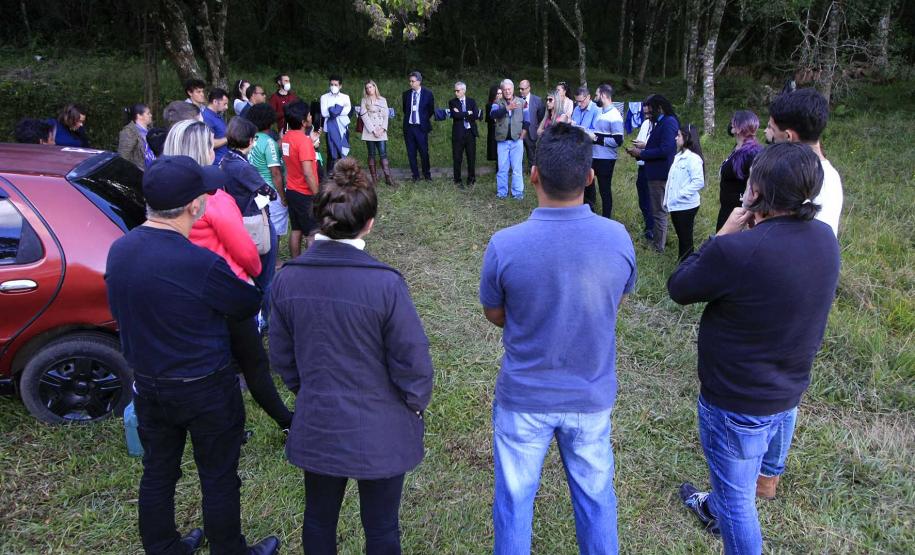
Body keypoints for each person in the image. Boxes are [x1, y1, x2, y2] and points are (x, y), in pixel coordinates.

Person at [670, 142, 840, 554]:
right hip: (787, 389)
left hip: (737, 400)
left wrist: (724, 234)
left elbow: (680, 287)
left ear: (756, 193)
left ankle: (721, 511)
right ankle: (717, 505)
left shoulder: (738, 249)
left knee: (737, 503)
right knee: (737, 487)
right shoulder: (824, 237)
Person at [105, 154, 280, 555]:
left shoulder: (120, 250)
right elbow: (245, 303)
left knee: (158, 471)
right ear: (193, 207)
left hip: (148, 383)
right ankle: (229, 550)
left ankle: (163, 546)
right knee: (218, 475)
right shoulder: (200, 263)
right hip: (205, 387)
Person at [480, 122, 637, 555]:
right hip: (590, 396)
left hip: (523, 398)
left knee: (514, 502)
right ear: (590, 177)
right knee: (597, 498)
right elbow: (614, 300)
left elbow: (495, 312)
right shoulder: (617, 237)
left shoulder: (504, 244)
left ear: (533, 175)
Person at [269, 158, 434, 555]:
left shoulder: (288, 278)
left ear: (320, 218)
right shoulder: (385, 285)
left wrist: (310, 389)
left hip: (320, 419)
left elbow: (282, 356)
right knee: (380, 529)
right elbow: (414, 362)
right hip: (380, 424)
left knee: (318, 520)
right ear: (369, 222)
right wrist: (412, 406)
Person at [163, 120, 293, 436]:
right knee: (254, 364)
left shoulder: (162, 194)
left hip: (183, 291)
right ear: (199, 151)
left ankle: (223, 426)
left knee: (210, 365)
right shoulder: (212, 197)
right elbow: (247, 252)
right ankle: (287, 422)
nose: (215, 149)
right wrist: (252, 273)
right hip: (225, 288)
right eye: (210, 145)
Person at [753, 87, 844, 502]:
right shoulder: (828, 174)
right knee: (786, 386)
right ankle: (767, 472)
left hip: (783, 294)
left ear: (789, 136)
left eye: (770, 129)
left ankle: (762, 473)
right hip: (805, 294)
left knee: (776, 391)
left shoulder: (805, 180)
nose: (766, 134)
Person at [222, 117, 280, 325]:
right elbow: (269, 192)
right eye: (254, 139)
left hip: (237, 220)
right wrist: (268, 193)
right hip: (255, 223)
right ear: (248, 141)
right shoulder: (243, 167)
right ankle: (263, 318)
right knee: (265, 275)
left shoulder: (225, 160)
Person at [766, 88, 843, 238]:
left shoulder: (797, 178)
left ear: (788, 136)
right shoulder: (832, 176)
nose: (770, 136)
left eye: (773, 131)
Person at [626, 94, 680, 252]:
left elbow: (666, 149)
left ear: (659, 108)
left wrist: (641, 154)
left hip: (660, 174)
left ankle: (659, 247)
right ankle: (657, 241)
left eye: (649, 113)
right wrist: (644, 146)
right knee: (655, 210)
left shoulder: (669, 122)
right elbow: (659, 145)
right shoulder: (660, 122)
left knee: (658, 212)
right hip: (654, 173)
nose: (647, 116)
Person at [281, 101, 320, 260]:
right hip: (305, 193)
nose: (311, 116)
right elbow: (308, 173)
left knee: (296, 230)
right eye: (309, 115)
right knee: (313, 232)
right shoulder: (304, 141)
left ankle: (295, 264)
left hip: (291, 190)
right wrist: (317, 194)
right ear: (304, 121)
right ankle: (311, 266)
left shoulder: (286, 137)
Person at [246, 104, 288, 247]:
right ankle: (274, 260)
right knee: (274, 228)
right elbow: (275, 172)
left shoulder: (250, 139)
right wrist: (282, 197)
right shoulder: (269, 142)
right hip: (270, 191)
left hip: (253, 188)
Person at [664, 123, 705, 262]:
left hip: (686, 206)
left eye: (679, 135)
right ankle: (683, 265)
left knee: (686, 239)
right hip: (677, 205)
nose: (676, 138)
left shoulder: (693, 158)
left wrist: (680, 194)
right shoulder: (679, 155)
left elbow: (699, 181)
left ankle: (687, 267)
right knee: (682, 238)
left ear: (687, 137)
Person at [716, 111, 763, 232]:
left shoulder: (752, 153)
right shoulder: (739, 148)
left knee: (727, 247)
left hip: (739, 214)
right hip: (727, 208)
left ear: (740, 127)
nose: (731, 124)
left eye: (733, 121)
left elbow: (754, 184)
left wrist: (748, 212)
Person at [589, 84, 625, 218]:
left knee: (604, 189)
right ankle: (590, 213)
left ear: (603, 96)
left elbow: (618, 141)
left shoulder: (615, 116)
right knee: (588, 186)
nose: (595, 98)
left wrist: (596, 138)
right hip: (594, 156)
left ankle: (606, 218)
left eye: (596, 95)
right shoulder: (600, 112)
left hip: (606, 159)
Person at [490, 79, 526, 200]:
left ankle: (517, 193)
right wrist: (507, 108)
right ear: (502, 91)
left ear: (513, 89)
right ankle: (502, 193)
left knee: (517, 169)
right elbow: (492, 115)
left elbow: (527, 121)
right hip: (502, 141)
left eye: (509, 89)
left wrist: (523, 135)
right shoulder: (497, 102)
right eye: (504, 89)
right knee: (502, 168)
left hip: (517, 140)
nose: (507, 91)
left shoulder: (522, 102)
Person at [358, 79, 396, 187]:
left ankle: (388, 178)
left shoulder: (382, 100)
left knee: (383, 154)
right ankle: (374, 180)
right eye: (367, 88)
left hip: (381, 131)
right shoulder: (364, 100)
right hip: (370, 131)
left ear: (375, 87)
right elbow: (364, 116)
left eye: (371, 87)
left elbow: (386, 115)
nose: (369, 89)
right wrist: (373, 130)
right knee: (371, 154)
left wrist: (382, 129)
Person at [570, 87, 600, 211]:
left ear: (588, 98)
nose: (578, 104)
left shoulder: (597, 110)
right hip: (576, 149)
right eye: (577, 101)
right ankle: (577, 204)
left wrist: (579, 129)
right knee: (577, 178)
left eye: (581, 101)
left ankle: (590, 207)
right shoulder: (576, 109)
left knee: (589, 179)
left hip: (590, 150)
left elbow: (596, 133)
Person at [401, 71, 435, 181]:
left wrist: (423, 120)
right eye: (410, 81)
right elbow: (405, 110)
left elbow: (430, 110)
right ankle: (415, 176)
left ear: (419, 82)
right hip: (409, 128)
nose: (410, 83)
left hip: (421, 128)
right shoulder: (406, 94)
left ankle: (427, 175)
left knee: (424, 152)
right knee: (411, 153)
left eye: (413, 81)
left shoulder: (428, 94)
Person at [448, 81, 478, 188]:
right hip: (458, 134)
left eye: (458, 90)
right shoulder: (452, 102)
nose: (456, 93)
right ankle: (457, 180)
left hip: (470, 133)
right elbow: (455, 115)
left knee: (471, 157)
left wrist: (462, 113)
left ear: (464, 91)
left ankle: (471, 179)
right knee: (457, 157)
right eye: (455, 91)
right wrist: (467, 113)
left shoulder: (471, 101)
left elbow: (475, 115)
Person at [320, 75, 352, 174]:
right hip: (330, 128)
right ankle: (330, 176)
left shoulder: (345, 97)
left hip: (342, 128)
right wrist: (340, 108)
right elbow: (324, 113)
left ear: (340, 86)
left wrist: (332, 110)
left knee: (342, 151)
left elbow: (347, 111)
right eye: (331, 84)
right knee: (331, 152)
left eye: (336, 84)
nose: (333, 86)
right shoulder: (324, 97)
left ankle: (342, 175)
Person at [633, 102, 654, 240]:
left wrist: (645, 146)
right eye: (645, 113)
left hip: (653, 166)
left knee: (652, 199)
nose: (646, 115)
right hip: (642, 164)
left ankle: (652, 230)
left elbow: (664, 147)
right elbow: (640, 140)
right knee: (643, 199)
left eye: (648, 113)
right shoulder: (646, 123)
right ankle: (648, 224)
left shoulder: (662, 126)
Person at [118, 103, 156, 171]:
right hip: (142, 174)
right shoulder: (129, 132)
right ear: (139, 116)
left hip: (154, 170)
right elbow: (123, 157)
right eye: (148, 113)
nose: (151, 115)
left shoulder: (149, 130)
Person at [518, 80, 544, 169]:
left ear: (529, 88)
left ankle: (532, 171)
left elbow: (541, 117)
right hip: (519, 131)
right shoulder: (516, 100)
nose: (520, 91)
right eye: (519, 89)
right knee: (518, 153)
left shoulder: (537, 100)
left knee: (532, 153)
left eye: (523, 89)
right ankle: (519, 170)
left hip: (531, 131)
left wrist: (536, 127)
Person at [202, 88, 230, 165]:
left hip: (223, 160)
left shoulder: (217, 115)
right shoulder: (207, 118)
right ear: (215, 102)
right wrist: (229, 138)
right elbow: (208, 143)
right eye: (224, 104)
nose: (227, 107)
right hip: (216, 163)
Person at [485, 85, 502, 163]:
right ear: (493, 94)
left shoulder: (504, 104)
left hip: (502, 130)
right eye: (497, 94)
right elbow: (492, 119)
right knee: (496, 150)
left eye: (500, 93)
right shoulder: (489, 105)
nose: (499, 95)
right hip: (494, 130)